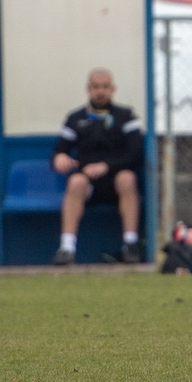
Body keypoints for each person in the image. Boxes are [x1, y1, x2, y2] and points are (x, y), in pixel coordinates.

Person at [51, 68, 143, 265]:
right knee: (75, 181)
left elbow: (136, 155)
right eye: (95, 87)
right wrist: (59, 158)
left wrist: (106, 166)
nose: (100, 91)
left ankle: (130, 245)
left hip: (117, 181)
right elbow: (59, 151)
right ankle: (67, 248)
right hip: (88, 184)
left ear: (113, 89)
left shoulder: (126, 116)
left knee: (127, 178)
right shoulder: (76, 118)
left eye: (105, 87)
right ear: (88, 89)